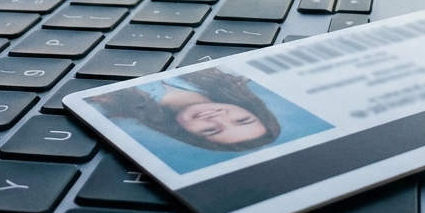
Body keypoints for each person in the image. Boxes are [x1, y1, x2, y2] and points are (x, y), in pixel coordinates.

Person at [88, 68, 281, 152]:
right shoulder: (227, 72)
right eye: (242, 120)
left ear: (186, 133)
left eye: (210, 130)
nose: (217, 119)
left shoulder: (108, 107)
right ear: (251, 110)